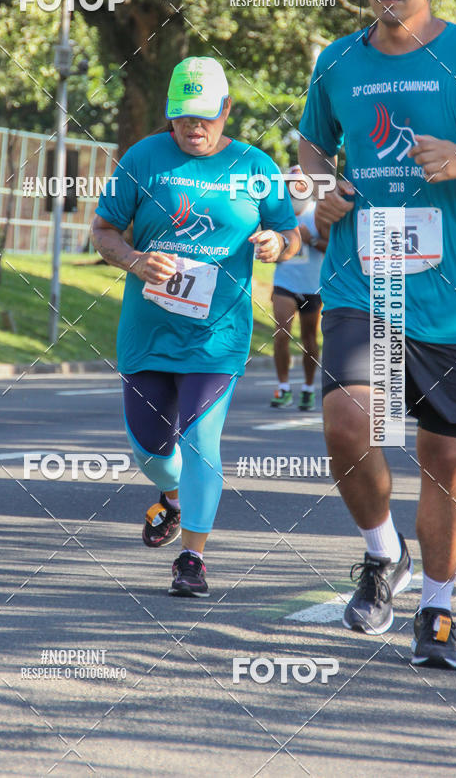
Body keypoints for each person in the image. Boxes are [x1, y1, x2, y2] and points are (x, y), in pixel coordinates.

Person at [299, 0, 456, 669]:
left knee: (444, 457)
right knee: (346, 419)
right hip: (360, 280)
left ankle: (436, 610)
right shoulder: (337, 61)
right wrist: (316, 197)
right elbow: (310, 146)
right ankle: (382, 554)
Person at [91, 56, 299, 597]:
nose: (195, 127)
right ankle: (175, 500)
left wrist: (278, 245)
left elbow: (288, 232)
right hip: (148, 333)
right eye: (184, 117)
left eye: (206, 116)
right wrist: (134, 260)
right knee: (150, 450)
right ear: (169, 114)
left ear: (227, 110)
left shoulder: (256, 166)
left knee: (202, 439)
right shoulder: (144, 158)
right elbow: (104, 230)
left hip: (218, 336)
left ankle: (192, 559)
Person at [270, 166, 327, 410]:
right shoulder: (279, 214)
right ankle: (283, 387)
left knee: (309, 340)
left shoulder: (319, 214)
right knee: (282, 334)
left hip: (312, 286)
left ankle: (307, 387)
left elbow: (332, 247)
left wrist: (310, 239)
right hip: (285, 282)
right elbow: (271, 249)